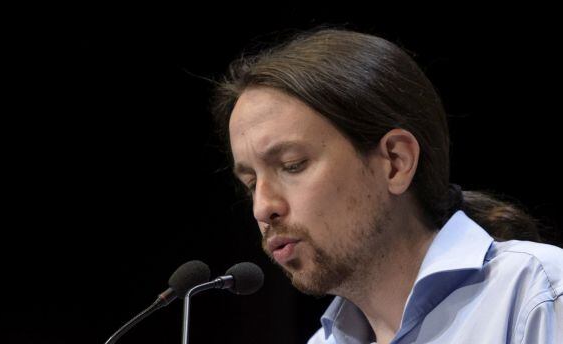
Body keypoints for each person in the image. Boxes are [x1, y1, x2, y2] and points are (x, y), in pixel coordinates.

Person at [210, 28, 562, 344]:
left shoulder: (537, 294)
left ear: (395, 162)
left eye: (292, 166)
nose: (262, 207)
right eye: (251, 183)